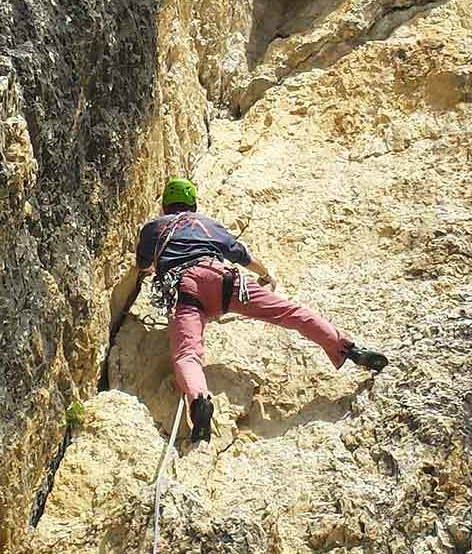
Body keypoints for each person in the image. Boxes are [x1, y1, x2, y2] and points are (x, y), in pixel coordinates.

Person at [106, 177, 389, 443]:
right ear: (193, 204)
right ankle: (348, 349)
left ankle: (200, 401)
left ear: (165, 205)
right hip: (226, 280)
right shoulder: (207, 224)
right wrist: (266, 275)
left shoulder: (154, 228)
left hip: (187, 289)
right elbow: (240, 254)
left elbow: (143, 265)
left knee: (186, 355)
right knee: (291, 313)